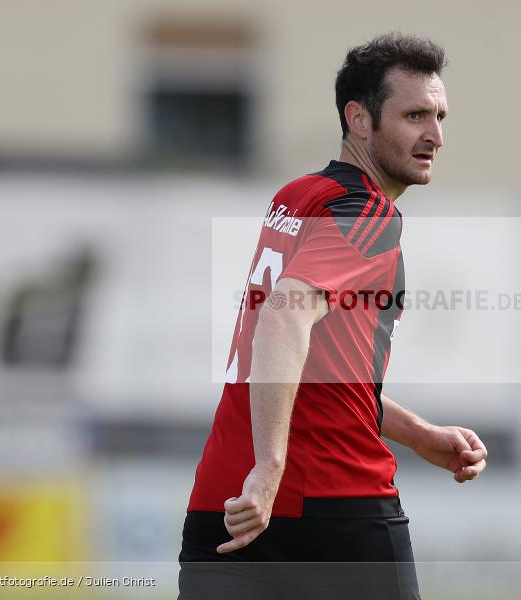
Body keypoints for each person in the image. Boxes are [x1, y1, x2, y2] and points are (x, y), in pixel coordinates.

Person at [178, 33, 488, 600]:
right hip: (328, 504)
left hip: (225, 503)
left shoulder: (298, 196)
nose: (435, 136)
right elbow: (283, 319)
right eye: (415, 115)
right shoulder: (366, 212)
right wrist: (271, 467)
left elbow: (315, 366)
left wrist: (418, 435)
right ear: (359, 119)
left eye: (440, 116)